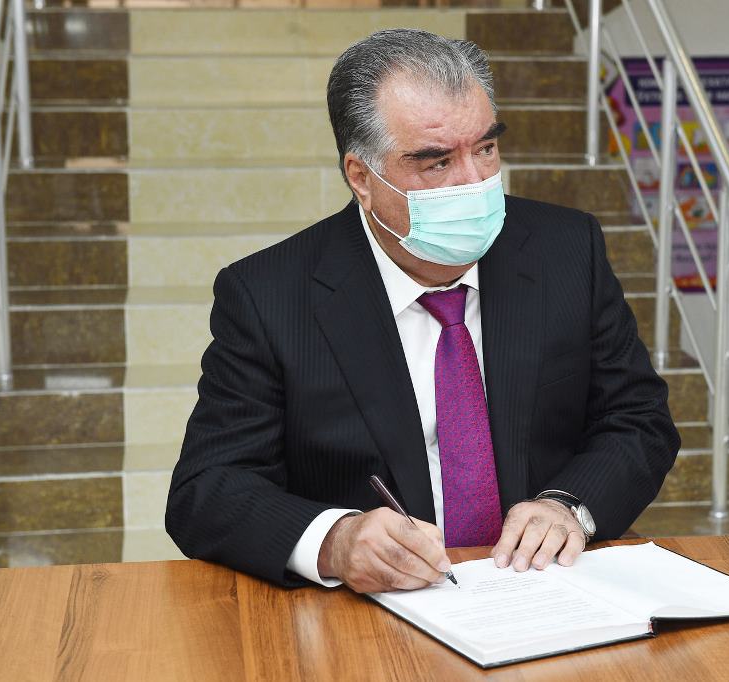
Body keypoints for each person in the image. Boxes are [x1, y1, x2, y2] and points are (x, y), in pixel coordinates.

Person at [165, 29, 680, 593]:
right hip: (372, 610)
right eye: (436, 163)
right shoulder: (269, 295)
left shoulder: (566, 250)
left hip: (545, 589)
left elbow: (638, 419)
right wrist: (335, 540)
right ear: (361, 177)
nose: (474, 182)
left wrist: (569, 506)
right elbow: (208, 489)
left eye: (485, 149)